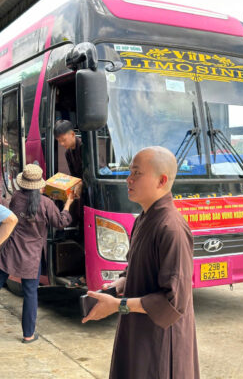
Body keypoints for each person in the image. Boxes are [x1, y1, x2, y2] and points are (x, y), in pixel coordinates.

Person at [82, 146, 200, 379]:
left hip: (161, 340)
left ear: (161, 180)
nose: (129, 179)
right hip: (139, 330)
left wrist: (118, 306)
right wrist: (121, 284)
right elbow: (141, 270)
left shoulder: (172, 228)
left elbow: (173, 302)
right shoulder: (144, 218)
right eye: (130, 172)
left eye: (137, 173)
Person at [0, 164, 74, 343]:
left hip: (10, 249)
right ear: (40, 184)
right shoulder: (46, 203)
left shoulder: (16, 197)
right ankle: (28, 335)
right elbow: (61, 222)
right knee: (30, 293)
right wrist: (68, 204)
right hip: (31, 255)